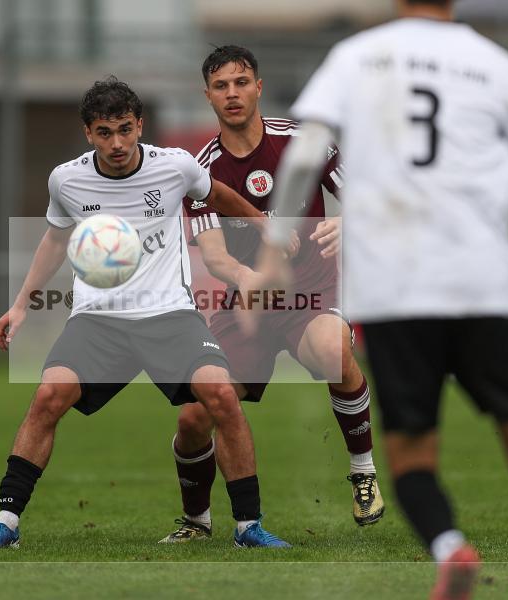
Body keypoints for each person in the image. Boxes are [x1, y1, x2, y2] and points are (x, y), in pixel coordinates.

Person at [262, 1, 508, 598]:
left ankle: (449, 546)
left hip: (395, 292)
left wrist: (270, 250)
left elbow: (307, 155)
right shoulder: (494, 63)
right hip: (484, 285)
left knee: (413, 455)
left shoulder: (355, 57)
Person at [0, 76, 290, 550]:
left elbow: (216, 194)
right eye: (103, 132)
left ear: (139, 125)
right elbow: (55, 240)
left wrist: (264, 224)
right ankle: (6, 524)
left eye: (124, 129)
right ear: (88, 134)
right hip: (99, 318)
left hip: (169, 314)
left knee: (221, 396)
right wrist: (21, 305)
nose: (116, 143)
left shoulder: (175, 167)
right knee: (47, 397)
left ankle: (248, 526)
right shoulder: (67, 179)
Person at [157, 45, 383, 545]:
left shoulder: (304, 144)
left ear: (258, 87)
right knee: (194, 415)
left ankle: (363, 472)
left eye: (241, 82)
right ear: (208, 95)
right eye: (221, 86)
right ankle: (196, 521)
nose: (232, 93)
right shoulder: (200, 171)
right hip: (248, 306)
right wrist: (248, 277)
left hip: (312, 294)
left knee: (332, 351)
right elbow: (214, 258)